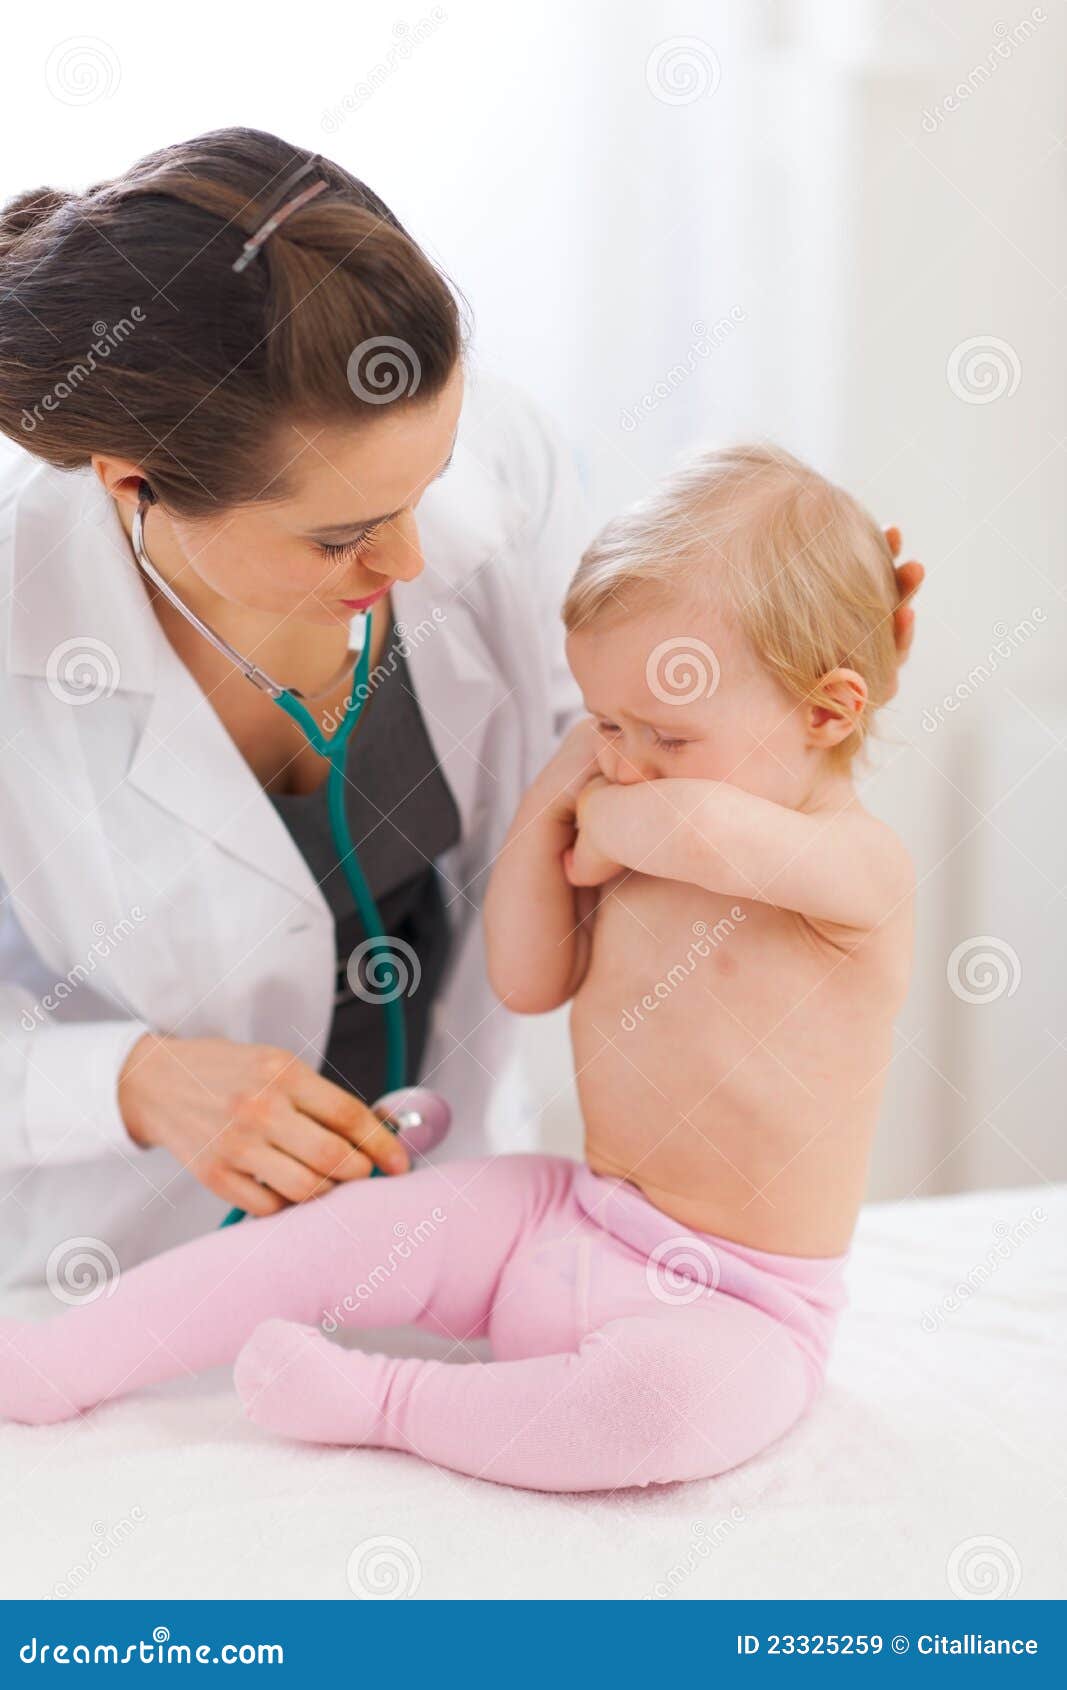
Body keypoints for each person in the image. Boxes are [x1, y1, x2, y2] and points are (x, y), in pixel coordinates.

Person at [1, 444, 915, 1495]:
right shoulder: (632, 809)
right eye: (601, 721)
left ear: (829, 712)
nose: (613, 755)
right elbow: (528, 979)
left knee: (659, 1416)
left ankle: (384, 1404)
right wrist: (557, 794)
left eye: (659, 730)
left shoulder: (855, 870)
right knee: (322, 1244)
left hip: (741, 1301)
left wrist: (591, 792)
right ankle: (60, 1360)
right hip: (563, 1214)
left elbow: (704, 829)